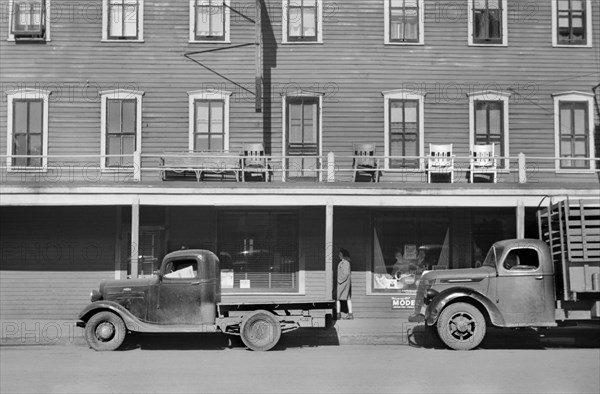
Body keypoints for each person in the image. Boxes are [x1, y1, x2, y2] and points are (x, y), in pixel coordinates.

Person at [336, 248, 353, 320]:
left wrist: (339, 280)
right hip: (344, 283)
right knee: (347, 298)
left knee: (337, 298)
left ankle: (338, 314)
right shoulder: (343, 262)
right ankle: (350, 314)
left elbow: (346, 273)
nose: (339, 255)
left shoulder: (346, 262)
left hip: (343, 283)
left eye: (340, 254)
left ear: (343, 254)